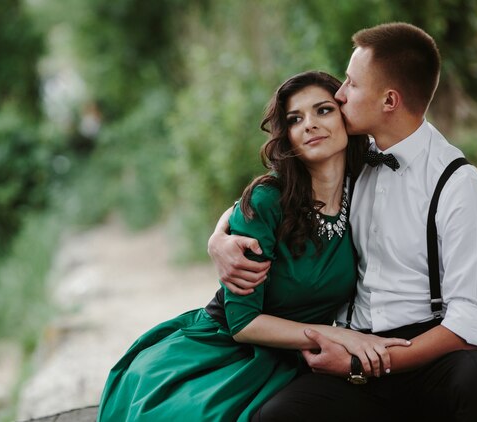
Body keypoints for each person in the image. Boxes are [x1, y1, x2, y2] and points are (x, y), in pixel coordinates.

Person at [208, 22, 477, 421]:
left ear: (389, 101)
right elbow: (278, 196)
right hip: (350, 347)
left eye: (351, 84)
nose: (340, 93)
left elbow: (469, 320)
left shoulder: (456, 184)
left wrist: (369, 362)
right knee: (278, 416)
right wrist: (220, 235)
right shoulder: (352, 160)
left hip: (425, 354)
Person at [97, 71, 411, 422]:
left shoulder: (367, 184)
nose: (309, 124)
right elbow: (243, 322)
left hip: (294, 359)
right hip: (224, 351)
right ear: (287, 136)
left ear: (345, 117)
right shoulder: (267, 201)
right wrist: (341, 337)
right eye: (296, 119)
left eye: (323, 110)